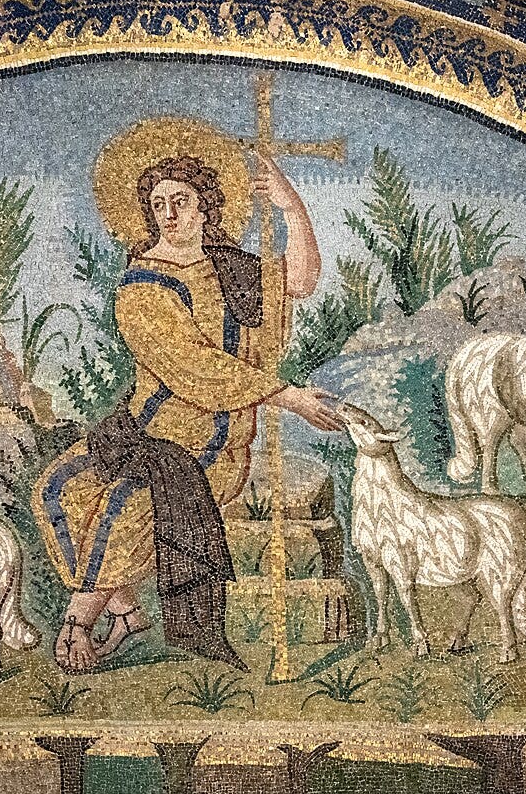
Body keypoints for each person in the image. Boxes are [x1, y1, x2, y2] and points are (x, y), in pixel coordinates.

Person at [32, 119, 343, 673]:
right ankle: (126, 611)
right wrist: (288, 396)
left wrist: (290, 205)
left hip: (210, 445)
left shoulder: (234, 272)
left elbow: (300, 279)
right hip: (143, 429)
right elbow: (192, 367)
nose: (169, 214)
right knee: (57, 490)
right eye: (158, 205)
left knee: (127, 506)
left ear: (206, 206)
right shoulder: (140, 286)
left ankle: (78, 621)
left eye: (180, 201)